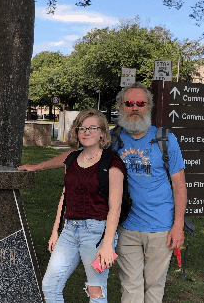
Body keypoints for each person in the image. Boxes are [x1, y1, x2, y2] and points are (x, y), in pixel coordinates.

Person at [112, 82, 186, 303]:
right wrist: (38, 166)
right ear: (121, 107)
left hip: (161, 229)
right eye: (129, 103)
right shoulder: (111, 140)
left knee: (154, 287)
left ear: (149, 107)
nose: (135, 108)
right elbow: (79, 157)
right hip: (126, 227)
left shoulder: (166, 139)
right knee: (130, 287)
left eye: (140, 103)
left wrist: (178, 225)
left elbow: (179, 186)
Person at [42, 109, 125, 303]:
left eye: (92, 128)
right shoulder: (72, 159)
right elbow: (65, 196)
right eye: (82, 128)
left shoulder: (112, 162)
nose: (86, 132)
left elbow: (115, 208)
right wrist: (56, 231)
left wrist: (107, 245)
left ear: (102, 133)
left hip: (97, 233)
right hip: (69, 231)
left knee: (95, 290)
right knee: (50, 286)